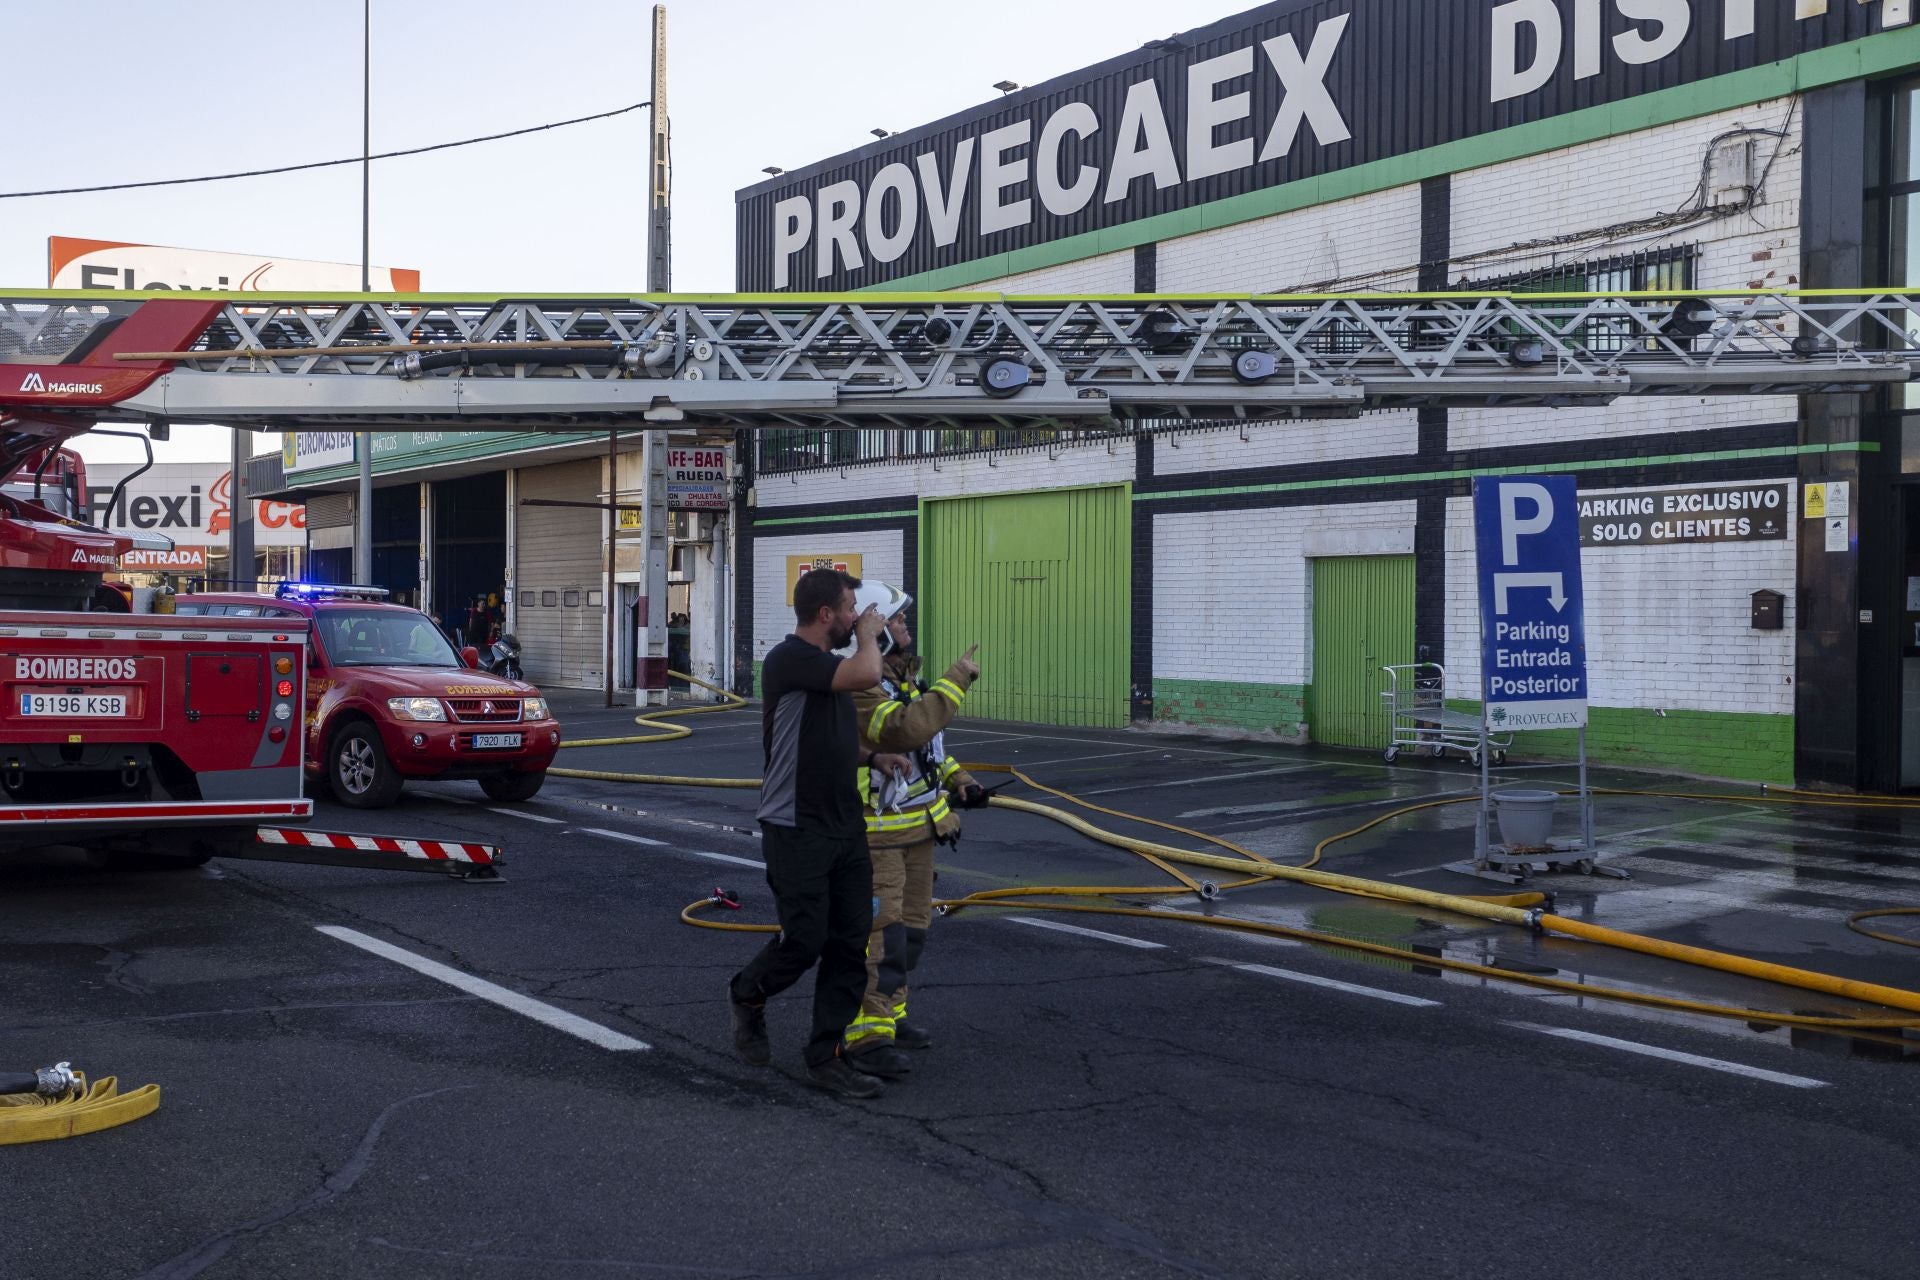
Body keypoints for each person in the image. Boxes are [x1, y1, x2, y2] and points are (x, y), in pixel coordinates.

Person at [728, 569, 911, 1099]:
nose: (858, 616)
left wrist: (875, 757)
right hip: (796, 826)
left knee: (850, 943)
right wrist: (871, 634)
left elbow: (831, 741)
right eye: (851, 607)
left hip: (844, 826)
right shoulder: (790, 660)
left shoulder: (828, 670)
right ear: (826, 614)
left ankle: (826, 1055)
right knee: (805, 939)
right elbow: (869, 673)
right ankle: (748, 994)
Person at [841, 589, 984, 1078]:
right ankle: (866, 1036)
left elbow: (930, 751)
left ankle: (892, 1017)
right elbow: (904, 731)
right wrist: (956, 681)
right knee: (882, 939)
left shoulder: (903, 682)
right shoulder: (861, 688)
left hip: (920, 831)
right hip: (878, 837)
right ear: (874, 631)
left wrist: (959, 782)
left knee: (913, 934)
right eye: (896, 618)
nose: (905, 625)